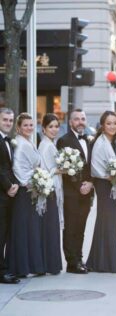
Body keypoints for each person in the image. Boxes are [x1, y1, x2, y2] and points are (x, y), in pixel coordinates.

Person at [57, 109, 93, 274]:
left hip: (87, 192)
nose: (80, 122)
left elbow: (92, 167)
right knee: (71, 228)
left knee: (81, 228)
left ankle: (79, 258)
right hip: (72, 193)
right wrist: (80, 186)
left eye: (83, 119)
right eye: (76, 119)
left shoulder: (89, 140)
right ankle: (72, 263)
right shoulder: (64, 141)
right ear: (70, 122)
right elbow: (65, 169)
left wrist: (90, 184)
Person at [8, 113, 45, 276]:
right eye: (26, 125)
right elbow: (18, 169)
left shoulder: (28, 142)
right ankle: (20, 267)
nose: (29, 128)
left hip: (31, 190)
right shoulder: (21, 145)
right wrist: (34, 180)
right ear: (18, 127)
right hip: (25, 191)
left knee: (30, 229)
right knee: (22, 229)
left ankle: (28, 265)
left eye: (32, 125)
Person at [86, 111, 116, 273]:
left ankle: (99, 260)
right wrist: (114, 177)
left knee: (114, 222)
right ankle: (107, 263)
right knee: (107, 221)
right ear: (102, 125)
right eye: (108, 123)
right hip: (104, 185)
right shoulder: (99, 143)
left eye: (115, 123)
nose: (112, 126)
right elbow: (95, 168)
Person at [38, 113, 63, 275]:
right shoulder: (46, 146)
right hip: (49, 190)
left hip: (53, 188)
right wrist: (61, 169)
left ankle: (51, 264)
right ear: (43, 129)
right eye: (51, 127)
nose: (54, 130)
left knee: (52, 227)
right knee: (50, 227)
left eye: (56, 126)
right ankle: (50, 264)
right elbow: (46, 170)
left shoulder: (50, 143)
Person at [0, 108, 19, 284]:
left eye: (10, 120)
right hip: (1, 194)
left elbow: (8, 167)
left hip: (8, 193)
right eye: (5, 119)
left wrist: (15, 185)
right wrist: (8, 186)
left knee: (4, 233)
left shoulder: (8, 141)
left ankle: (4, 268)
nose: (8, 123)